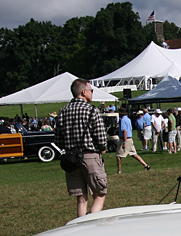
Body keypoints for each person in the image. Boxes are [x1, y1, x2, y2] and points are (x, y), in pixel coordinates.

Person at [55, 78, 108, 217]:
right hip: (90, 156)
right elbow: (101, 137)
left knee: (81, 198)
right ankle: (92, 221)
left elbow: (58, 140)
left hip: (71, 158)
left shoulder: (63, 111)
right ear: (84, 92)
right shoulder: (92, 110)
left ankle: (81, 227)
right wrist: (102, 147)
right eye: (91, 90)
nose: (92, 93)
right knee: (99, 194)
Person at [115, 107, 150, 173]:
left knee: (118, 155)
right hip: (130, 139)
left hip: (125, 139)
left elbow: (125, 131)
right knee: (134, 154)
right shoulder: (128, 119)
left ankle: (119, 170)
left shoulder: (122, 120)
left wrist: (124, 142)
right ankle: (146, 165)